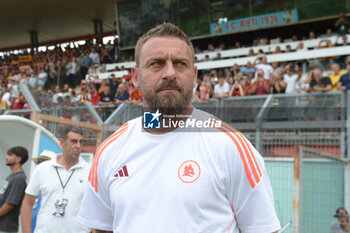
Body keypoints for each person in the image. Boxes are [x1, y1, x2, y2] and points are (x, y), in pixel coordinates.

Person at [77, 22, 280, 233]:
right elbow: (100, 229)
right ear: (136, 77)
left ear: (194, 76)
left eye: (180, 64)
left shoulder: (230, 145)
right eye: (157, 63)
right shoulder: (111, 149)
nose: (170, 73)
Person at [21, 126, 91, 233]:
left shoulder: (90, 171)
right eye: (73, 141)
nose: (78, 146)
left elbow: (96, 208)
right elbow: (27, 204)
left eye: (81, 142)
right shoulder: (42, 169)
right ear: (62, 142)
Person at [0, 146, 28, 233]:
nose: (6, 157)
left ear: (18, 159)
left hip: (6, 227)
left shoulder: (19, 179)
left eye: (10, 155)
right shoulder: (12, 177)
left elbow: (10, 204)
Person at [31, 150, 56, 233]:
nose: (40, 166)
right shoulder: (35, 185)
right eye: (39, 162)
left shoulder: (57, 187)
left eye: (45, 163)